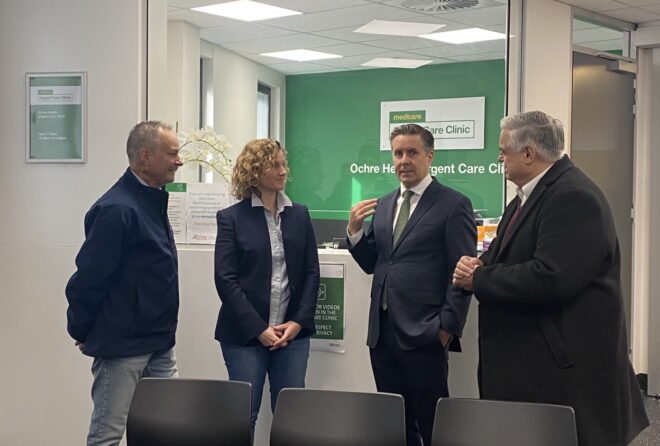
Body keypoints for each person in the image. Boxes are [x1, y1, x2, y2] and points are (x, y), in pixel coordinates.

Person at [453, 111, 649, 446]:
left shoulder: (573, 196)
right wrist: (477, 264)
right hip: (530, 367)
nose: (499, 158)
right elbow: (504, 253)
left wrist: (480, 280)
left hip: (561, 373)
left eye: (503, 151)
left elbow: (552, 277)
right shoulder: (528, 196)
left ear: (528, 154)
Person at [347, 124, 477, 446]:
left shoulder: (453, 204)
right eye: (398, 153)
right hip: (382, 332)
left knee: (433, 426)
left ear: (429, 157)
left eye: (412, 152)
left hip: (426, 333)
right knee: (394, 425)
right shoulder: (386, 204)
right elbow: (376, 263)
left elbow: (461, 272)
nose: (404, 160)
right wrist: (354, 233)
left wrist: (448, 326)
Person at [65, 121, 183, 446]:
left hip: (159, 342)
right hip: (122, 348)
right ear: (146, 157)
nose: (179, 160)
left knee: (167, 431)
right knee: (108, 435)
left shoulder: (152, 199)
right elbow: (88, 279)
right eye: (172, 153)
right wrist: (83, 329)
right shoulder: (117, 209)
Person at [214, 139, 320, 430]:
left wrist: (299, 322)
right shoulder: (231, 218)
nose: (283, 170)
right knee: (242, 417)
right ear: (254, 170)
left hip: (292, 335)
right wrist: (259, 329)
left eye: (284, 163)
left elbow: (312, 272)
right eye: (275, 165)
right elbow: (225, 280)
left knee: (291, 417)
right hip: (245, 336)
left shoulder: (299, 214)